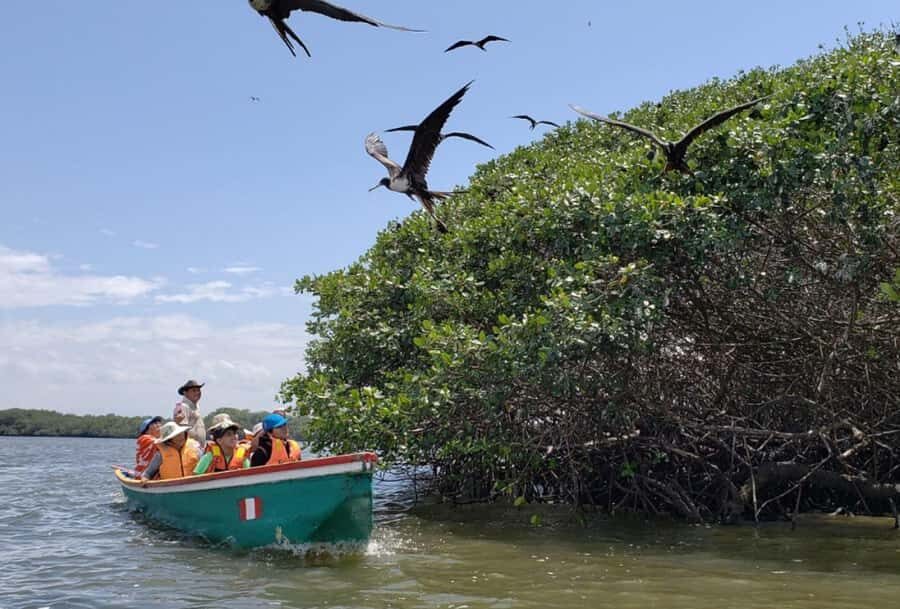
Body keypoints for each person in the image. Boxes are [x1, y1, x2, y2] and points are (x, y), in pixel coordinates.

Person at [173, 379, 205, 445]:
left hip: (199, 448)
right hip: (190, 448)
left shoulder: (196, 406)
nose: (197, 393)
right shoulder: (183, 406)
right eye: (194, 390)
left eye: (198, 390)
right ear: (185, 393)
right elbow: (183, 430)